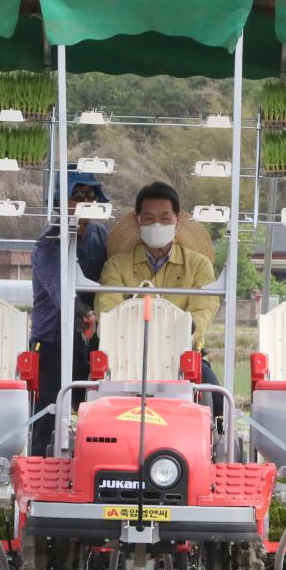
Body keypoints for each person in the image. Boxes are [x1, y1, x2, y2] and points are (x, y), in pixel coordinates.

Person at [94, 181, 224, 423]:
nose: (157, 224)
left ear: (177, 220)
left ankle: (216, 443)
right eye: (149, 218)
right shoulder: (116, 266)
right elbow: (107, 309)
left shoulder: (198, 265)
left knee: (218, 404)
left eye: (165, 218)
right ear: (137, 220)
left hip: (182, 360)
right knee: (88, 406)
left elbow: (203, 309)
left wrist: (185, 333)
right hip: (125, 359)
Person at [29, 170, 109, 457]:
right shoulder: (48, 244)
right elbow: (62, 290)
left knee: (102, 421)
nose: (86, 201)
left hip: (91, 342)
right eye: (78, 196)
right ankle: (39, 477)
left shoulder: (101, 236)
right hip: (52, 343)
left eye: (91, 196)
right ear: (61, 201)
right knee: (48, 419)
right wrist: (82, 312)